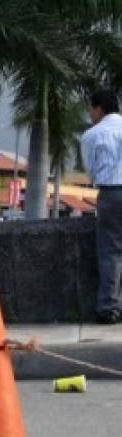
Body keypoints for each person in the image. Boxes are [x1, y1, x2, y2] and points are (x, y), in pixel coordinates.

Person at [81, 89, 122, 324]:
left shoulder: (92, 135)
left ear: (99, 109)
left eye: (91, 108)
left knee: (111, 252)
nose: (90, 113)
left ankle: (109, 308)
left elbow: (91, 171)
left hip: (112, 193)